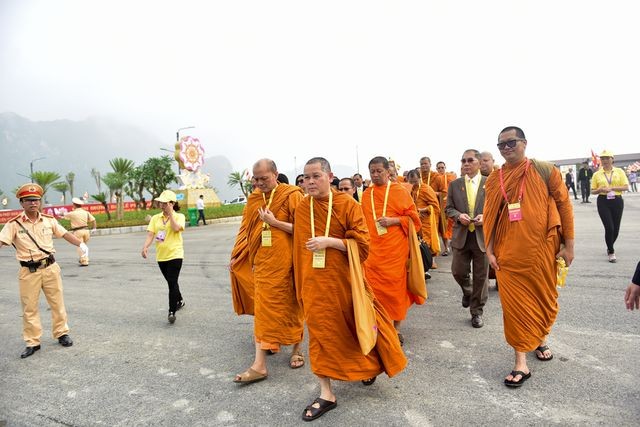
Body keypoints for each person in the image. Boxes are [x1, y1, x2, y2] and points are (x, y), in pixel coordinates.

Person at [293, 157, 406, 421]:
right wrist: (299, 283)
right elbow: (299, 250)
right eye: (306, 177)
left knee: (354, 330)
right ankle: (326, 393)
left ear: (329, 176)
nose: (310, 182)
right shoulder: (302, 207)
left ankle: (367, 366)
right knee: (321, 337)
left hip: (345, 283)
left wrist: (331, 242)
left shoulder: (346, 204)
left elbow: (363, 246)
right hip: (314, 285)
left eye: (316, 176)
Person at [484, 126, 574, 388]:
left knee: (543, 299)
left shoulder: (545, 170)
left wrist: (569, 245)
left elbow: (564, 206)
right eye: (501, 145)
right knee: (514, 309)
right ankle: (520, 362)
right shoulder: (494, 178)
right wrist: (489, 251)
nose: (506, 148)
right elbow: (489, 215)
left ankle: (540, 337)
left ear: (524, 143)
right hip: (507, 254)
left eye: (511, 142)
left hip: (543, 249)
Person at [229, 159, 305, 384]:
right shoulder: (253, 199)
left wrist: (275, 222)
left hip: (289, 265)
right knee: (263, 311)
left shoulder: (292, 195)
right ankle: (259, 364)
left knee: (293, 307)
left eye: (265, 178)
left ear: (276, 174)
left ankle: (297, 349)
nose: (260, 182)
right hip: (262, 266)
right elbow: (245, 231)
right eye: (256, 178)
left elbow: (304, 229)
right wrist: (237, 254)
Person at [0, 183, 88, 358]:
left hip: (50, 268)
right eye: (29, 200)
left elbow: (64, 234)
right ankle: (33, 342)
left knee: (57, 303)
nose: (33, 203)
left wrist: (81, 244)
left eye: (36, 200)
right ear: (22, 203)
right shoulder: (13, 224)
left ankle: (62, 333)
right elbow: (2, 241)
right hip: (28, 271)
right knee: (29, 308)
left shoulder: (49, 220)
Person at [362, 156, 422, 345]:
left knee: (395, 292)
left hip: (395, 252)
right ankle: (377, 327)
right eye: (372, 171)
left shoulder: (399, 191)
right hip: (373, 253)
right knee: (373, 292)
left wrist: (395, 221)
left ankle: (395, 329)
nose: (375, 174)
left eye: (379, 171)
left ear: (388, 172)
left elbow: (414, 220)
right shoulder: (366, 194)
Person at [445, 150, 489, 328]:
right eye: (463, 161)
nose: (466, 164)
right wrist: (458, 216)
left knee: (481, 277)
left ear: (479, 162)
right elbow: (448, 208)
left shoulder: (489, 183)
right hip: (461, 235)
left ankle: (476, 312)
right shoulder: (454, 185)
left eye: (470, 160)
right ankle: (468, 290)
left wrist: (485, 216)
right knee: (458, 271)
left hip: (482, 236)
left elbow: (498, 207)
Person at [141, 190, 186, 324]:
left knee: (172, 282)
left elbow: (176, 228)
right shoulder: (156, 218)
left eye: (165, 203)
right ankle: (180, 299)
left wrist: (171, 214)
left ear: (172, 203)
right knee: (171, 282)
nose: (162, 205)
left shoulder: (180, 216)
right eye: (161, 203)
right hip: (161, 256)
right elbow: (151, 234)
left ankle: (171, 311)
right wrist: (145, 247)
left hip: (175, 254)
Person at [590, 150, 629, 263]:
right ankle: (611, 251)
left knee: (616, 229)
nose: (605, 161)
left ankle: (609, 245)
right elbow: (592, 191)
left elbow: (626, 187)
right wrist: (600, 189)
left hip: (617, 200)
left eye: (607, 158)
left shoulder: (619, 171)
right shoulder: (596, 174)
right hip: (603, 201)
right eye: (602, 159)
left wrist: (613, 188)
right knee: (609, 228)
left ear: (612, 159)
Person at [406, 169, 440, 262]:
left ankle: (429, 262)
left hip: (425, 221)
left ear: (420, 178)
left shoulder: (426, 189)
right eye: (411, 182)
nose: (413, 184)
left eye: (415, 181)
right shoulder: (409, 189)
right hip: (414, 220)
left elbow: (435, 207)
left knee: (426, 243)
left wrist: (423, 210)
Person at [63, 197, 96, 266]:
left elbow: (63, 215)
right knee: (84, 246)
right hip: (86, 231)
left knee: (79, 246)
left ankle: (84, 261)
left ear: (74, 205)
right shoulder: (86, 212)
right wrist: (94, 228)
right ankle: (84, 258)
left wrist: (62, 213)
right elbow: (93, 220)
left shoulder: (72, 213)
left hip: (78, 231)